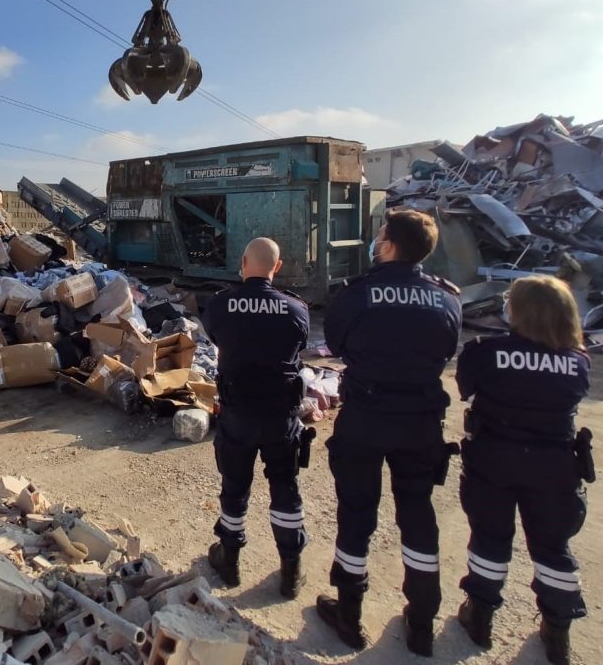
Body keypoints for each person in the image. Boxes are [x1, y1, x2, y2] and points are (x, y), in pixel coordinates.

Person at [316, 208, 462, 656]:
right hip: (420, 422)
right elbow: (447, 349)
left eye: (380, 236)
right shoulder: (447, 299)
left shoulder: (358, 293)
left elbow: (336, 346)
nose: (376, 242)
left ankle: (350, 613)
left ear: (390, 245)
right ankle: (421, 621)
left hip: (366, 417)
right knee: (417, 513)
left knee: (357, 513)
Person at [455, 275, 592, 665]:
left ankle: (480, 614)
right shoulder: (578, 362)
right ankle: (558, 629)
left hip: (493, 458)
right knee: (552, 546)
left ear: (517, 310)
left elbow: (465, 388)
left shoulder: (484, 351)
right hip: (555, 466)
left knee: (490, 537)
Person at [202, 237, 312, 597]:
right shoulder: (296, 310)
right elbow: (299, 346)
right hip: (281, 415)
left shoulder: (220, 305)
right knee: (285, 486)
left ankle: (229, 560)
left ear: (244, 261)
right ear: (276, 267)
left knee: (235, 486)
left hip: (238, 413)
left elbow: (216, 337)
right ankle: (291, 572)